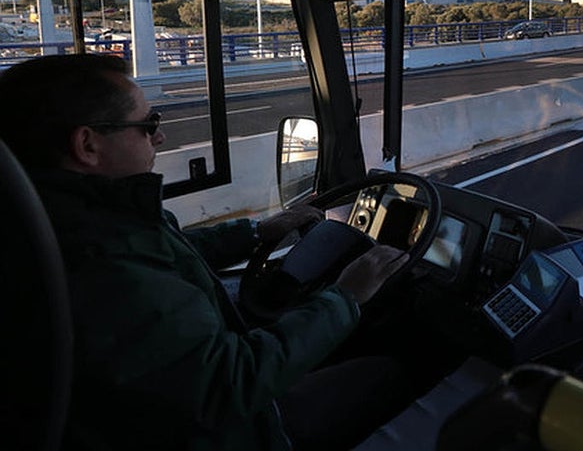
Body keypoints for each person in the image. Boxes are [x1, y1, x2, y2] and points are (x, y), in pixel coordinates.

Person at [0, 53, 411, 450]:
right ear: (87, 145)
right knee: (390, 370)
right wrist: (346, 297)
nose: (159, 136)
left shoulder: (70, 219)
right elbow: (231, 382)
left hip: (159, 418)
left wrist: (254, 232)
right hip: (222, 432)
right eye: (148, 124)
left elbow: (160, 252)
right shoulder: (99, 264)